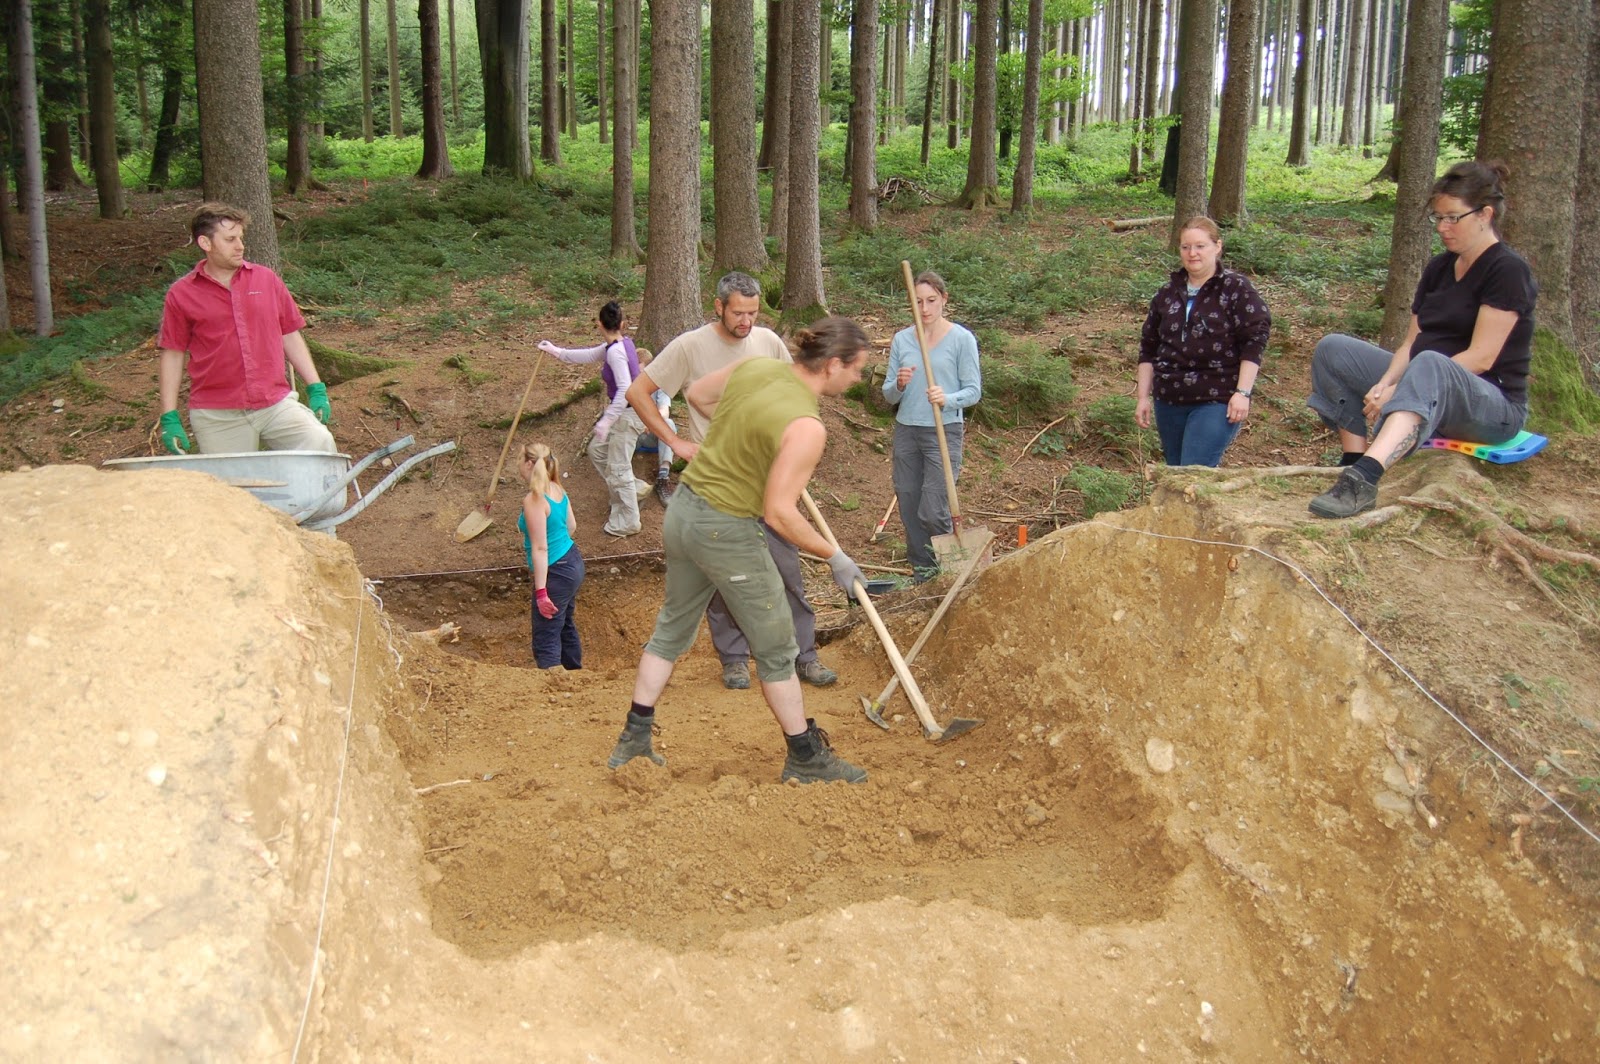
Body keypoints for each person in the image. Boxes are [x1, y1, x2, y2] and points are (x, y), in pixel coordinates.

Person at [607, 318, 873, 784]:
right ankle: (805, 757)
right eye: (857, 370)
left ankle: (634, 738)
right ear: (833, 365)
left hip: (684, 512)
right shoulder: (806, 427)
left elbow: (697, 397)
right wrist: (835, 556)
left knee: (671, 628)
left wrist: (740, 441)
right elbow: (779, 514)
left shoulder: (755, 368)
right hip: (725, 529)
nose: (858, 380)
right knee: (776, 648)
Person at [626, 271, 839, 691]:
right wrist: (674, 440)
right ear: (718, 306)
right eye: (738, 313)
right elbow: (638, 392)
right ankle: (735, 659)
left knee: (786, 570)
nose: (746, 322)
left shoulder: (768, 343)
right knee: (723, 578)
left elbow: (789, 390)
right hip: (719, 486)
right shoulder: (690, 346)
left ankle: (805, 655)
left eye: (754, 313)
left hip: (767, 479)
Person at [1306, 161, 1537, 519]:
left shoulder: (1507, 270)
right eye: (1438, 218)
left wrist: (1405, 388)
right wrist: (1386, 383)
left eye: (1452, 218)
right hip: (1426, 389)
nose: (1443, 228)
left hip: (1492, 406)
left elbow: (1481, 358)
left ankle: (1363, 482)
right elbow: (1411, 343)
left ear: (1485, 214)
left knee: (1429, 364)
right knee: (1334, 349)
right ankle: (1352, 461)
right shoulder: (1439, 268)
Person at [156, 203, 336, 455]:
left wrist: (316, 387)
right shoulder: (181, 294)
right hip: (217, 414)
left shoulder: (266, 279)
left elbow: (289, 334)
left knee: (319, 443)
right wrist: (169, 417)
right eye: (230, 239)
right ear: (205, 243)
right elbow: (172, 353)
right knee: (232, 486)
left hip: (275, 403)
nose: (240, 246)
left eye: (240, 238)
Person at [1134, 216, 1272, 468]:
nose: (1192, 253)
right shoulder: (1167, 293)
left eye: (1200, 246)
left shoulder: (1236, 289)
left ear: (1217, 246)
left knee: (1194, 471)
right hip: (1169, 398)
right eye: (1186, 247)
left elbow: (1254, 340)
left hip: (1216, 398)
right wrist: (1143, 397)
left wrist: (1243, 392)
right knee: (1175, 472)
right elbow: (1149, 347)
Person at [882, 271, 982, 582]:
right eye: (917, 302)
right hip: (907, 430)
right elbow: (887, 394)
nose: (924, 309)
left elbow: (973, 390)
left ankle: (950, 572)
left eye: (931, 301)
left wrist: (947, 398)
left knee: (933, 508)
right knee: (910, 507)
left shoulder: (961, 339)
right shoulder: (902, 339)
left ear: (944, 300)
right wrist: (898, 384)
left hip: (944, 430)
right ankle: (923, 574)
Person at [536, 302, 653, 537]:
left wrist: (606, 421)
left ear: (599, 324)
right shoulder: (616, 345)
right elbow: (588, 354)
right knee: (597, 451)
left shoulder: (618, 352)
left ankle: (629, 521)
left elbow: (624, 390)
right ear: (622, 324)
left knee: (618, 467)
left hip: (629, 414)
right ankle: (634, 488)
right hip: (622, 412)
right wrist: (555, 351)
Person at [518, 443, 584, 670]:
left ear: (528, 464)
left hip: (555, 571)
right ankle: (575, 674)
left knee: (546, 635)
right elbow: (572, 526)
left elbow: (540, 549)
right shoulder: (557, 488)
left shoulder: (534, 499)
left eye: (520, 460)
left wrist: (542, 591)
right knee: (564, 624)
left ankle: (552, 685)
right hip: (572, 562)